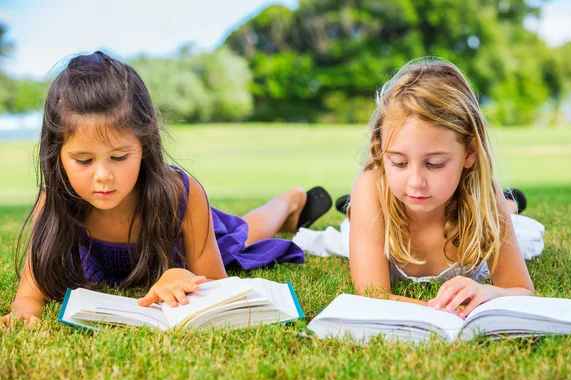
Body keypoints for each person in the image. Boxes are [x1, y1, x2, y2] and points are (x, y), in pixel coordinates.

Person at [2, 51, 331, 328]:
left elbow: (218, 285)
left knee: (244, 234)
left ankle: (290, 201)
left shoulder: (179, 194)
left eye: (118, 157)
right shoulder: (55, 200)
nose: (103, 176)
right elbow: (30, 293)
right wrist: (23, 313)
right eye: (84, 160)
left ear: (144, 144)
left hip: (193, 237)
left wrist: (181, 274)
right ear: (56, 155)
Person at [346, 58, 534, 318]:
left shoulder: (483, 196)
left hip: (466, 198)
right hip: (374, 213)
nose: (416, 181)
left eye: (434, 164)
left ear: (468, 153)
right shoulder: (371, 189)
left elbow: (522, 289)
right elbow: (372, 295)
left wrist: (491, 292)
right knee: (346, 228)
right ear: (381, 151)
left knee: (513, 223)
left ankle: (510, 204)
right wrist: (448, 313)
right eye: (399, 162)